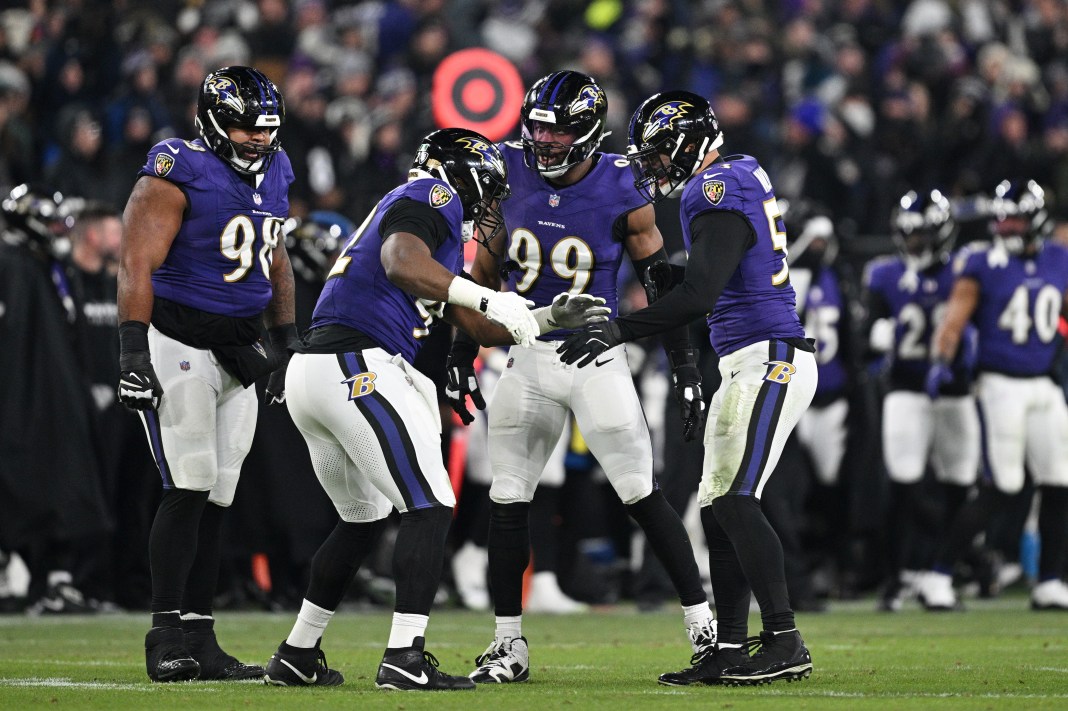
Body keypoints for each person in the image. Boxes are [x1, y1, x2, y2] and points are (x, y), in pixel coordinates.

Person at [262, 127, 607, 691]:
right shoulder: (432, 195)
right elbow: (402, 263)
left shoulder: (422, 223)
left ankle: (297, 653)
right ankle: (405, 656)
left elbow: (474, 322)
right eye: (487, 191)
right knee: (430, 504)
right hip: (355, 363)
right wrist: (489, 294)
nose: (489, 206)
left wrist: (547, 318)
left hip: (318, 373)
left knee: (363, 519)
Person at [444, 71, 716, 685]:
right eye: (537, 125)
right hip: (526, 352)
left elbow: (658, 283)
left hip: (596, 355)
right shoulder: (505, 171)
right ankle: (506, 644)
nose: (543, 138)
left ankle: (704, 630)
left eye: (557, 128)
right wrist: (461, 352)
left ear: (589, 131)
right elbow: (482, 277)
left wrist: (684, 363)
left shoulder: (623, 183)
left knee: (640, 492)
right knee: (507, 500)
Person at [558, 90, 817, 686]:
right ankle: (728, 646)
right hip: (745, 358)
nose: (652, 167)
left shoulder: (715, 188)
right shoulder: (740, 171)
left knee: (731, 500)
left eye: (656, 153)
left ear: (686, 143)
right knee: (717, 502)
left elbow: (699, 295)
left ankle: (784, 638)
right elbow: (710, 274)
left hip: (770, 356)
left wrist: (620, 328)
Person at [117, 66, 294, 682]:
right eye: (245, 126)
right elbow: (137, 260)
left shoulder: (277, 169)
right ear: (214, 120)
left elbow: (275, 253)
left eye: (265, 127)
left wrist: (285, 338)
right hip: (178, 338)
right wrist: (133, 350)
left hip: (239, 348)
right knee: (188, 483)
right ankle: (165, 634)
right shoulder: (177, 166)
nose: (257, 138)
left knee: (220, 493)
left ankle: (201, 635)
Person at [926, 178, 1068, 611]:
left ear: (1036, 219)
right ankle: (939, 574)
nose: (1005, 227)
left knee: (1060, 480)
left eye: (1015, 219)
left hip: (1043, 382)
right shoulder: (980, 263)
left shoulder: (1059, 259)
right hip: (999, 382)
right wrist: (942, 359)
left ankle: (1049, 580)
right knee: (1003, 484)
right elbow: (953, 320)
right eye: (1001, 219)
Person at [863, 189, 980, 611]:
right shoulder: (884, 274)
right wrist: (882, 337)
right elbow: (866, 341)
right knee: (903, 484)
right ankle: (898, 577)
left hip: (955, 391)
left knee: (961, 486)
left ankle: (941, 572)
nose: (916, 243)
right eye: (910, 235)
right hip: (907, 389)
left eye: (923, 234)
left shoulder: (966, 270)